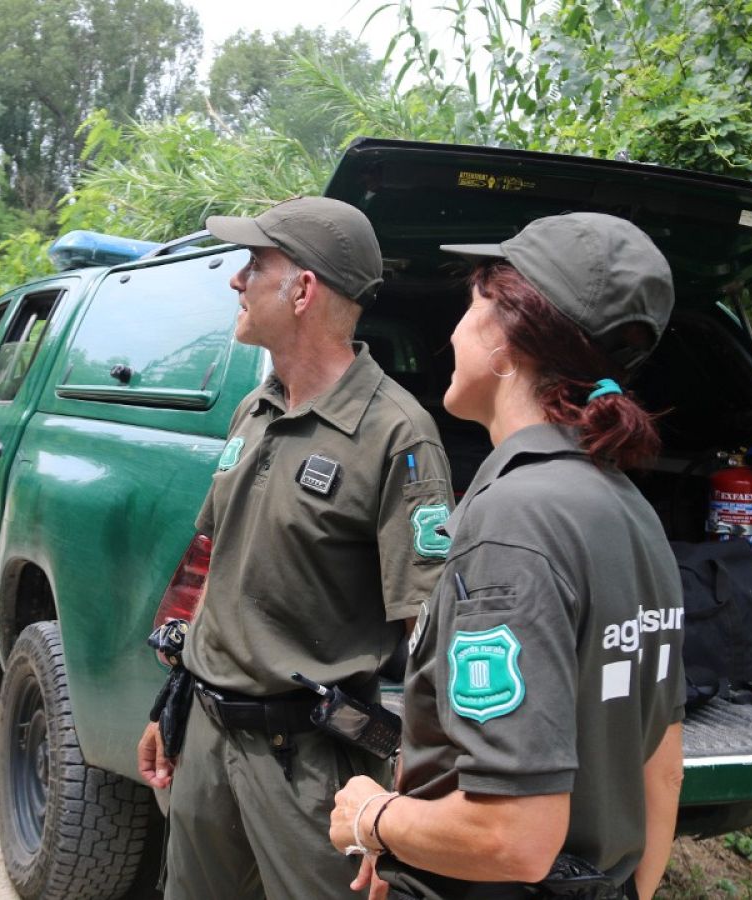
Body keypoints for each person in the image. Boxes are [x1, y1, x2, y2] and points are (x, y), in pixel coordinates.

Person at [328, 212, 687, 900]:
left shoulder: (512, 519)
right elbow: (662, 770)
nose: (455, 330)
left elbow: (514, 839)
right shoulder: (629, 508)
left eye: (471, 305)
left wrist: (374, 819)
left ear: (507, 338)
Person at [136, 196, 455, 900]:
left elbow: (431, 636)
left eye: (255, 264)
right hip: (208, 739)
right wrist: (172, 701)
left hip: (311, 765)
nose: (236, 281)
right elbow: (210, 560)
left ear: (303, 290)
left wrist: (401, 811)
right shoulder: (258, 408)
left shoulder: (398, 435)